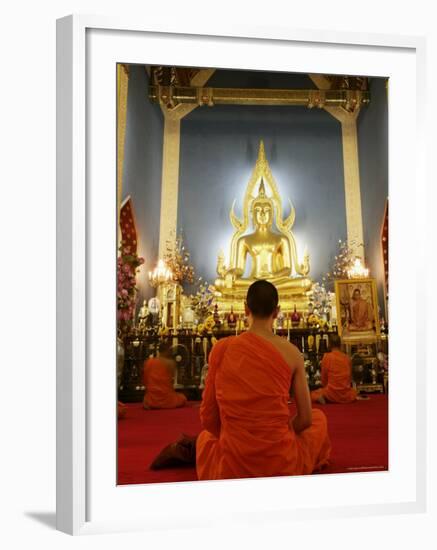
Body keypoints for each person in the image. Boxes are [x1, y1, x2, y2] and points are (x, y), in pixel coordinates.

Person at [196, 280, 331, 480]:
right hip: (281, 461)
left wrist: (236, 435)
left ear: (245, 309)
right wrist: (277, 435)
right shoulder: (292, 353)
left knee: (205, 438)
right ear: (277, 312)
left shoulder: (222, 349)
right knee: (319, 419)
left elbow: (209, 417)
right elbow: (305, 419)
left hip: (233, 461)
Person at [310, 334, 357, 404]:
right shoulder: (347, 358)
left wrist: (326, 389)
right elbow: (349, 378)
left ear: (329, 344)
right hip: (346, 395)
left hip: (331, 393)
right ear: (340, 344)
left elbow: (324, 380)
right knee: (354, 392)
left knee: (312, 394)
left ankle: (323, 397)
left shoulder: (327, 357)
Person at [143, 342, 187, 410]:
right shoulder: (170, 363)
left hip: (151, 400)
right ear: (167, 351)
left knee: (147, 398)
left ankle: (150, 403)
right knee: (183, 398)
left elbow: (145, 381)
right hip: (167, 399)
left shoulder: (149, 362)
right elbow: (172, 382)